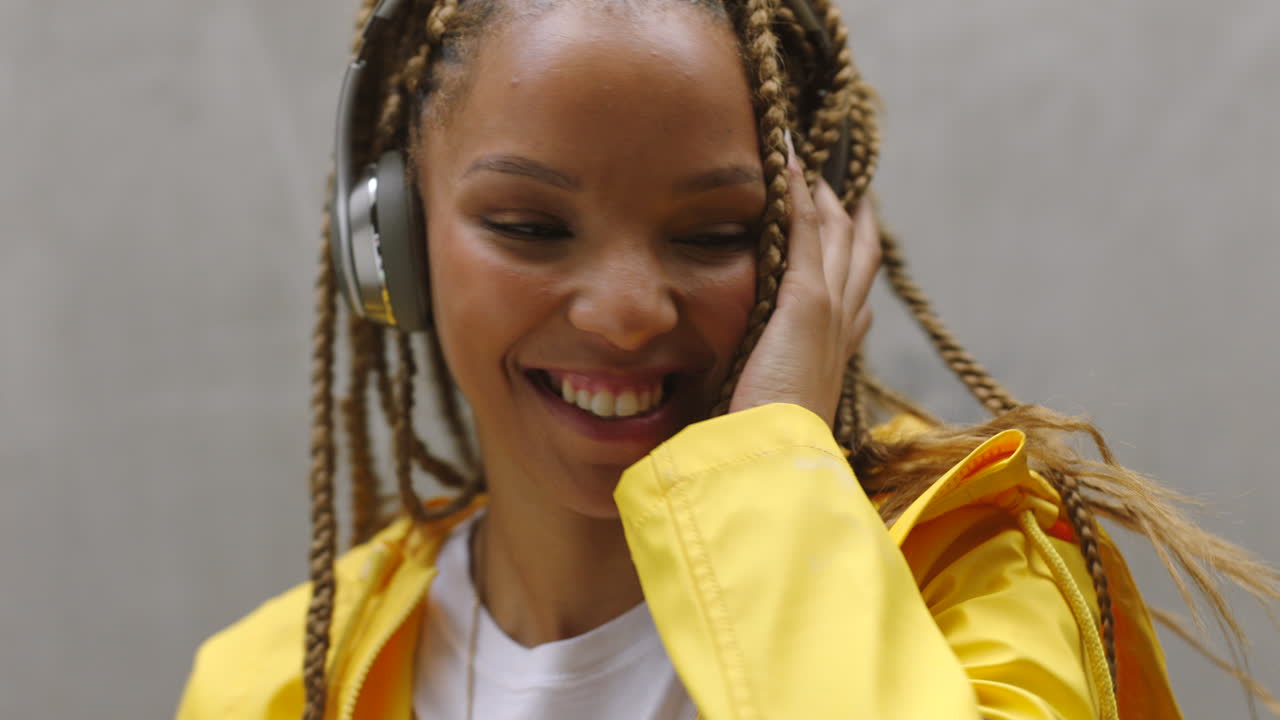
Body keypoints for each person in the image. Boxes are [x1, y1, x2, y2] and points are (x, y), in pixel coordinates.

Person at [177, 0, 1280, 718]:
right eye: (527, 225)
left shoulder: (974, 577)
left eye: (710, 235)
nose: (622, 314)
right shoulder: (271, 685)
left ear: (815, 246)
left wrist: (767, 465)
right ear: (391, 244)